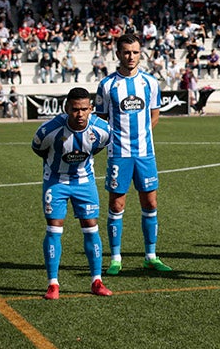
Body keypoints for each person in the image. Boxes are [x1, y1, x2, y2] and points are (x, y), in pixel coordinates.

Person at [95, 33, 171, 274]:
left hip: (145, 153)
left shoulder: (149, 82)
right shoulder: (107, 85)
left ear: (141, 54)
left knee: (150, 202)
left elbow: (155, 115)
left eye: (135, 52)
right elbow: (101, 120)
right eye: (126, 52)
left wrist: (142, 135)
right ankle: (116, 257)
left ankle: (150, 255)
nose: (131, 56)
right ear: (118, 54)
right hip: (118, 154)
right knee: (117, 205)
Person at [31, 87, 113, 299]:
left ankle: (96, 281)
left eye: (84, 109)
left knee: (90, 227)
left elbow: (98, 147)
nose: (80, 114)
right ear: (66, 108)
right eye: (75, 109)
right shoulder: (49, 130)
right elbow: (38, 148)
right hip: (56, 181)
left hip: (84, 182)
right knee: (54, 228)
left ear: (91, 109)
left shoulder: (102, 129)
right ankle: (53, 284)